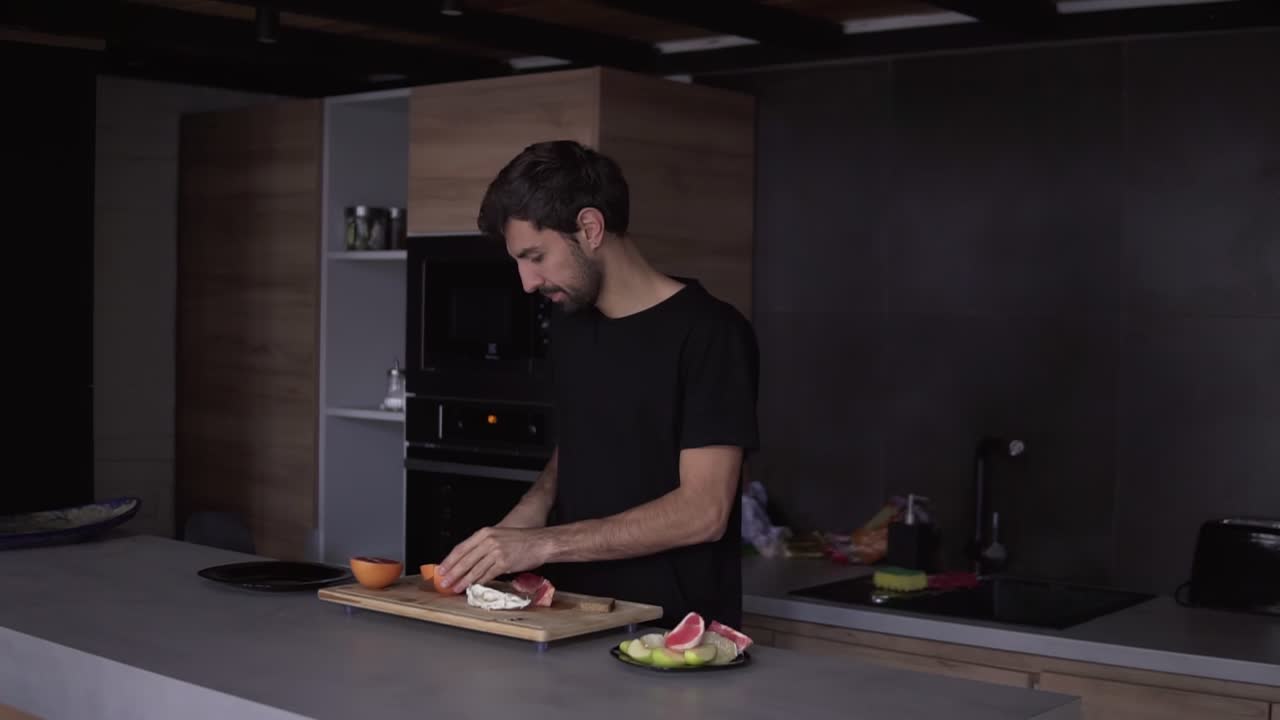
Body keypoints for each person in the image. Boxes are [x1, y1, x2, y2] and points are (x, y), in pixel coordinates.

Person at [435, 140, 759, 628]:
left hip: (669, 633)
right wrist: (525, 515)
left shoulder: (711, 332)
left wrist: (542, 543)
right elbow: (584, 439)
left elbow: (704, 511)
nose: (526, 282)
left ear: (589, 228)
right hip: (573, 617)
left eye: (536, 256)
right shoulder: (571, 323)